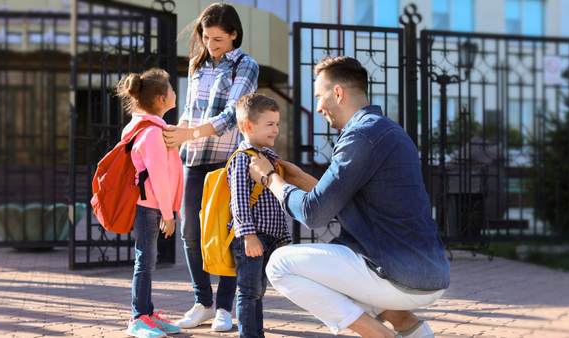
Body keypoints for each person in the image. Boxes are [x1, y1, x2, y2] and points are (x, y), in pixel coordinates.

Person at [249, 56, 450, 338]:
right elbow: (342, 200)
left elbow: (313, 214)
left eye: (319, 96)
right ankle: (411, 328)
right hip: (428, 270)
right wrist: (298, 179)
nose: (318, 107)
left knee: (280, 265)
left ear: (338, 93)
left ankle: (378, 334)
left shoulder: (361, 136)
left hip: (400, 272)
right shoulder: (387, 129)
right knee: (330, 273)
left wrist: (271, 179)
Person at [163, 2, 259, 332]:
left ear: (234, 35)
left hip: (227, 159)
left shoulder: (246, 65)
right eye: (206, 37)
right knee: (191, 231)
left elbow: (233, 115)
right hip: (193, 158)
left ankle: (224, 308)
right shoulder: (196, 64)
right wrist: (179, 135)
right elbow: (190, 108)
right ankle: (202, 302)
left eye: (218, 39)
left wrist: (191, 132)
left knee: (226, 232)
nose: (210, 45)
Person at [116, 69, 184, 338]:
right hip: (149, 205)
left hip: (148, 204)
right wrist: (168, 213)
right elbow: (158, 176)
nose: (175, 92)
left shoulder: (141, 126)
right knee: (145, 261)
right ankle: (138, 318)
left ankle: (147, 312)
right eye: (171, 89)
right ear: (160, 98)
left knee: (147, 259)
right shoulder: (152, 133)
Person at [228, 94, 291, 338]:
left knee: (258, 291)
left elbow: (279, 201)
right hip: (252, 238)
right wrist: (248, 236)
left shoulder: (271, 159)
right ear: (248, 126)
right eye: (270, 124)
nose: (276, 130)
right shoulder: (242, 160)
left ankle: (257, 333)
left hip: (270, 238)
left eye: (277, 124)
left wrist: (283, 236)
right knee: (248, 291)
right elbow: (239, 201)